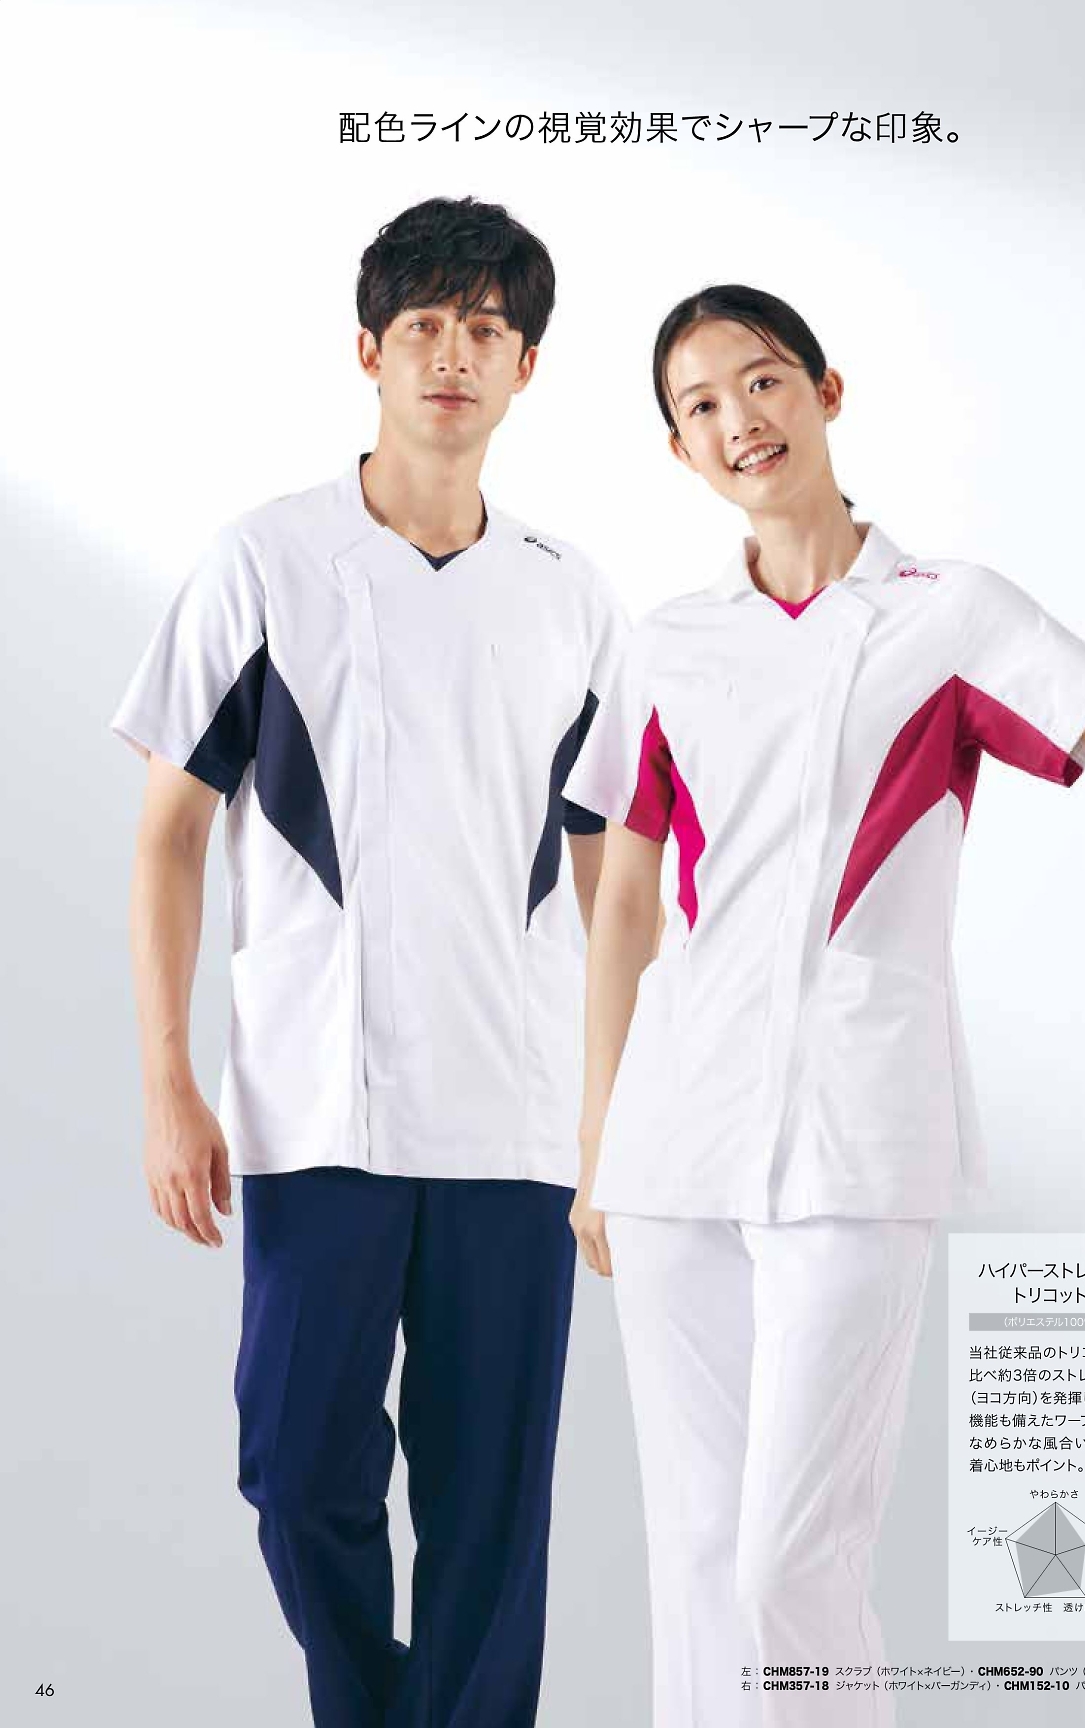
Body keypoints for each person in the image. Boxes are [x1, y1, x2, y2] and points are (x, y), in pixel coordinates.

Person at [562, 283, 1085, 1726]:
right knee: (698, 1557)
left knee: (791, 1565)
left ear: (826, 392)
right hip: (673, 1143)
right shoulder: (667, 643)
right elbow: (623, 904)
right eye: (700, 405)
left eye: (763, 381)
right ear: (677, 448)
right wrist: (599, 1141)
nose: (740, 420)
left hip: (859, 1136)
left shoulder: (949, 614)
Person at [109, 195, 628, 1728]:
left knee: (489, 1515)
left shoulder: (570, 595)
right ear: (369, 352)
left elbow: (614, 878)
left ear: (526, 366)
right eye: (425, 327)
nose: (453, 354)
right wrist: (169, 1085)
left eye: (485, 329)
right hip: (313, 1109)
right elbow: (167, 836)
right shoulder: (267, 562)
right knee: (293, 1466)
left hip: (517, 1126)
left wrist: (619, 1118)